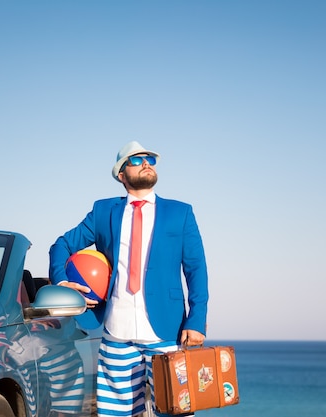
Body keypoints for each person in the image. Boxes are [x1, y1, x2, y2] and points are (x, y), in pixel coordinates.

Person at [49, 141, 209, 417]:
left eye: (149, 158)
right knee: (116, 414)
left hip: (167, 333)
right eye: (136, 160)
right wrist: (62, 282)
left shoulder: (180, 212)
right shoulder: (103, 212)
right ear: (121, 174)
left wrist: (196, 321)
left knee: (176, 411)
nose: (146, 162)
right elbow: (61, 245)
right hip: (116, 333)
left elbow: (196, 269)